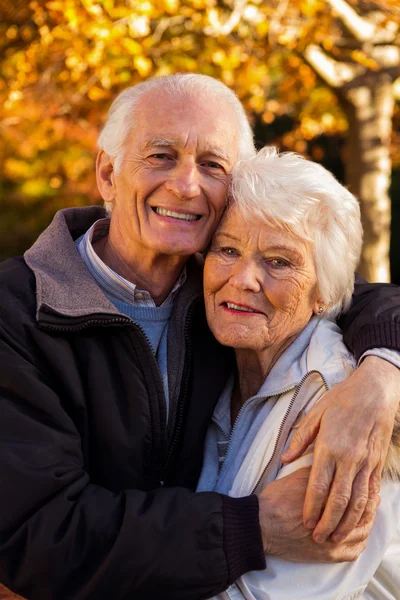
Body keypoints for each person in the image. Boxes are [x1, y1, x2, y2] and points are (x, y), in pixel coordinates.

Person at [0, 73, 399, 600]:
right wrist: (245, 527)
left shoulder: (222, 297)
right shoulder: (18, 314)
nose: (187, 185)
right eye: (161, 155)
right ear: (107, 173)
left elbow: (345, 291)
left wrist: (383, 371)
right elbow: (39, 537)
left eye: (211, 165)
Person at [197, 147, 400, 599]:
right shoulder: (208, 367)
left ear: (323, 292)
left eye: (278, 261)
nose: (244, 278)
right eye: (228, 250)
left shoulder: (347, 412)